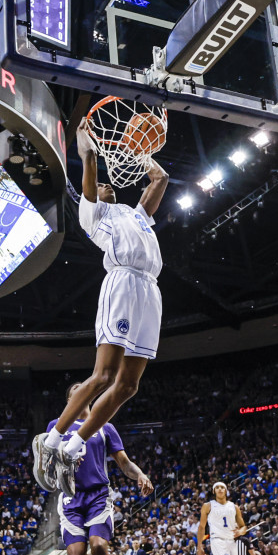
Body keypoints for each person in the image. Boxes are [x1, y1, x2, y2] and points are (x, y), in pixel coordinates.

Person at [33, 118, 169, 498]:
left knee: (128, 385)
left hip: (150, 290)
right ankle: (53, 439)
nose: (108, 186)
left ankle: (76, 445)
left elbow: (161, 180)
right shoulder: (94, 214)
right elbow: (91, 159)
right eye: (102, 187)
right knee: (104, 375)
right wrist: (84, 137)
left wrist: (142, 151)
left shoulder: (136, 214)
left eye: (110, 186)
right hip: (123, 283)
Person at [48, 383, 153, 555]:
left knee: (98, 547)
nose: (81, 390)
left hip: (98, 496)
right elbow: (48, 469)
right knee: (75, 554)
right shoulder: (56, 426)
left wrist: (139, 474)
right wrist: (64, 462)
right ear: (69, 399)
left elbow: (124, 462)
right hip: (71, 498)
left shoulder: (105, 426)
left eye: (85, 388)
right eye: (75, 389)